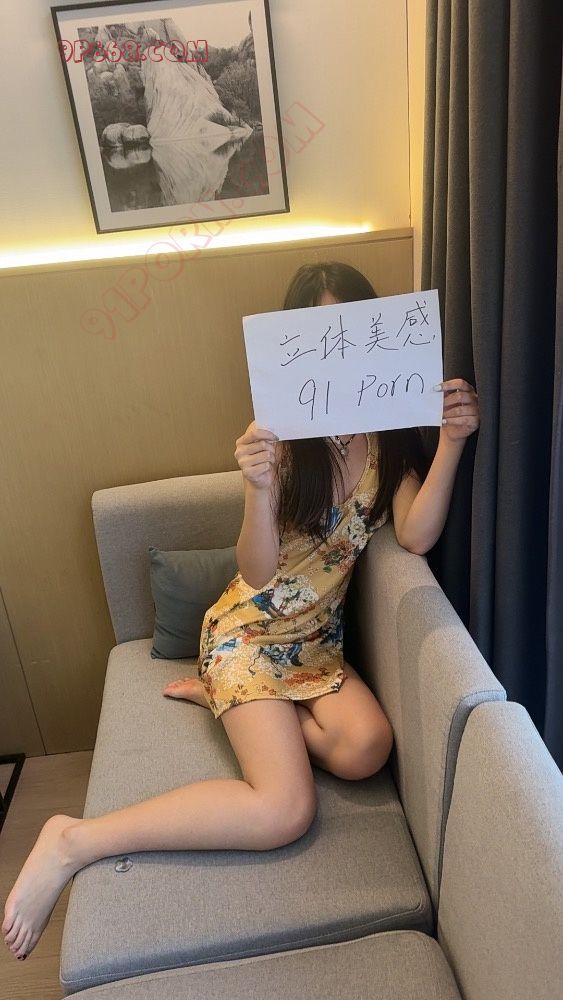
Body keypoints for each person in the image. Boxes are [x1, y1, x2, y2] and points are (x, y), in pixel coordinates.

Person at [2, 261, 479, 961]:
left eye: (346, 330)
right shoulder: (282, 442)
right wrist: (255, 489)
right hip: (248, 635)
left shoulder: (386, 437)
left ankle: (232, 703)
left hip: (316, 645)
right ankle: (73, 839)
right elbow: (255, 572)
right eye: (318, 332)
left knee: (367, 748)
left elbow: (414, 535)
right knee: (285, 810)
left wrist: (452, 443)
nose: (335, 349)